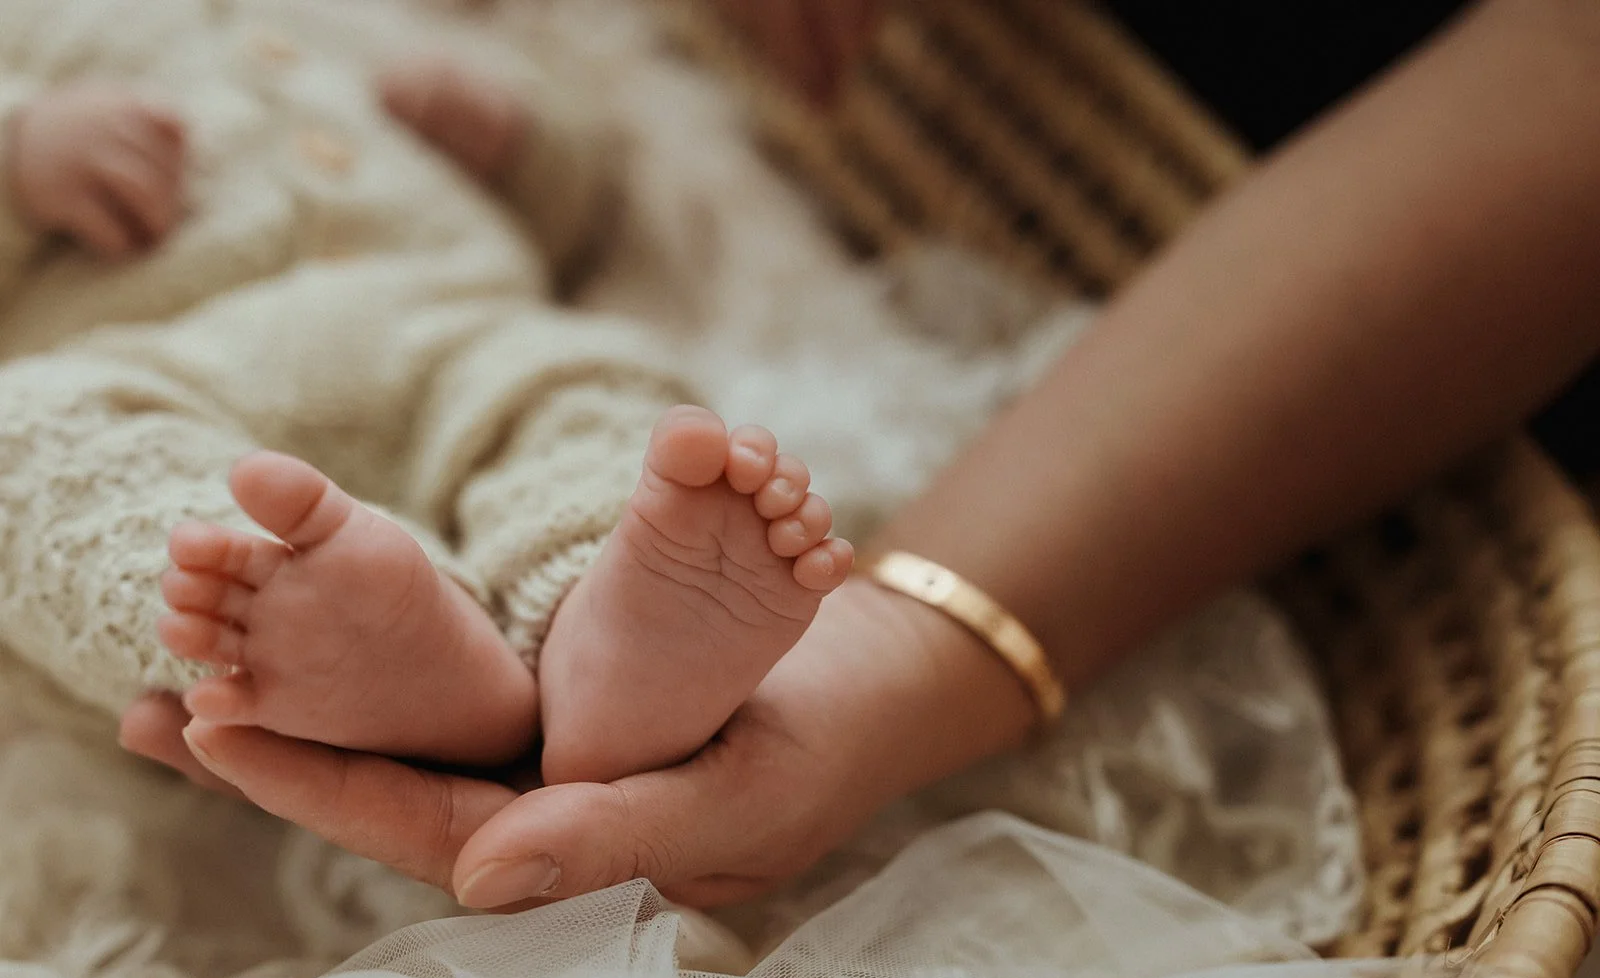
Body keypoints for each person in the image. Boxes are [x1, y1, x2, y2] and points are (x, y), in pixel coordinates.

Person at [122, 0, 1600, 912]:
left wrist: (499, 127)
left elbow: (574, 173)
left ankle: (582, 629)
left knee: (574, 410)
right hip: (140, 350)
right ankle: (352, 652)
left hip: (454, 307)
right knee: (80, 471)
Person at [0, 0, 853, 800]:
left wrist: (516, 138)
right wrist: (20, 150)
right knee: (25, 437)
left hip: (450, 320)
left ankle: (603, 625)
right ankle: (328, 639)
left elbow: (574, 199)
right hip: (165, 364)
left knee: (580, 385)